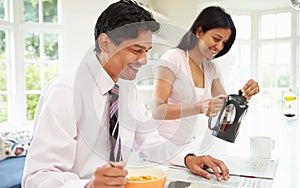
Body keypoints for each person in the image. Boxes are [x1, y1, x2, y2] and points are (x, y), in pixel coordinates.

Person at [22, 1, 230, 188]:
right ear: (105, 43)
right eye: (136, 50)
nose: (143, 61)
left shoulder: (126, 88)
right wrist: (88, 186)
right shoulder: (65, 92)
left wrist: (189, 158)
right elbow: (37, 178)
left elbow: (149, 140)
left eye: (146, 51)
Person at [151, 6, 259, 145]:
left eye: (224, 43)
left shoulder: (211, 68)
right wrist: (200, 107)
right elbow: (157, 110)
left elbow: (224, 107)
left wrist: (244, 96)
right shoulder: (173, 58)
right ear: (199, 31)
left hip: (185, 146)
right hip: (159, 144)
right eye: (216, 39)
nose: (219, 47)